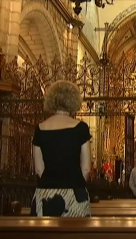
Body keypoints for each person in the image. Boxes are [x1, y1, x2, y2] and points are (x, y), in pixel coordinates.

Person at [30, 80, 91, 217]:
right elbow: (86, 168)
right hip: (75, 193)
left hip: (46, 193)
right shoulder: (81, 128)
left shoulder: (40, 128)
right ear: (74, 100)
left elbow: (39, 168)